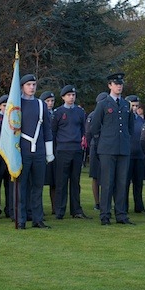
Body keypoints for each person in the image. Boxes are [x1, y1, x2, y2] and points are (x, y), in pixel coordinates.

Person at [90, 72, 135, 225]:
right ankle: (105, 215)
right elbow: (94, 127)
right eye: (116, 84)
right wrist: (98, 145)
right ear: (110, 85)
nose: (119, 86)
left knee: (122, 183)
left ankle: (121, 215)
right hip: (107, 149)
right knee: (107, 183)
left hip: (123, 148)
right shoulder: (103, 104)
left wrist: (127, 141)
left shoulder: (126, 104)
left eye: (121, 84)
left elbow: (130, 127)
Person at [17, 74, 54, 229]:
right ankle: (21, 219)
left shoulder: (41, 104)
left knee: (38, 186)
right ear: (22, 87)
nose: (32, 87)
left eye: (33, 84)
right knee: (22, 186)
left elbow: (47, 129)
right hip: (23, 151)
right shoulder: (17, 104)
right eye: (28, 85)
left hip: (38, 151)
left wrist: (48, 152)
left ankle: (37, 219)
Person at [52, 85, 91, 220]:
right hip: (63, 150)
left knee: (75, 181)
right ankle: (60, 211)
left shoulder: (80, 112)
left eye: (73, 95)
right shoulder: (58, 112)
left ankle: (76, 210)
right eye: (68, 95)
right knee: (61, 182)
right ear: (63, 97)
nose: (71, 97)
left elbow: (82, 129)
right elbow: (53, 132)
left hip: (76, 150)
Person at [86, 92, 108, 211]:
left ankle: (106, 201)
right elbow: (89, 133)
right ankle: (97, 202)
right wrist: (92, 145)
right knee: (95, 176)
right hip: (95, 146)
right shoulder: (93, 115)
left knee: (107, 176)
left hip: (107, 147)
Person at [125, 94, 145, 214]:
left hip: (139, 155)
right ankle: (124, 206)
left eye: (137, 106)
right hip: (127, 155)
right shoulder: (124, 119)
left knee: (138, 183)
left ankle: (139, 206)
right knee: (125, 183)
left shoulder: (141, 119)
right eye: (133, 105)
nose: (135, 108)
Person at [0, 95, 12, 218]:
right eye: (4, 105)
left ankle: (11, 209)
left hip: (10, 154)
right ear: (0, 106)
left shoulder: (13, 118)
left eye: (8, 105)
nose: (6, 108)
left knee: (10, 184)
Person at [40, 90, 57, 215]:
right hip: (40, 150)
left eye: (52, 101)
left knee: (54, 181)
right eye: (47, 101)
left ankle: (55, 208)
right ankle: (38, 208)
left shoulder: (56, 114)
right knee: (38, 182)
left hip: (54, 149)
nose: (50, 103)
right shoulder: (39, 114)